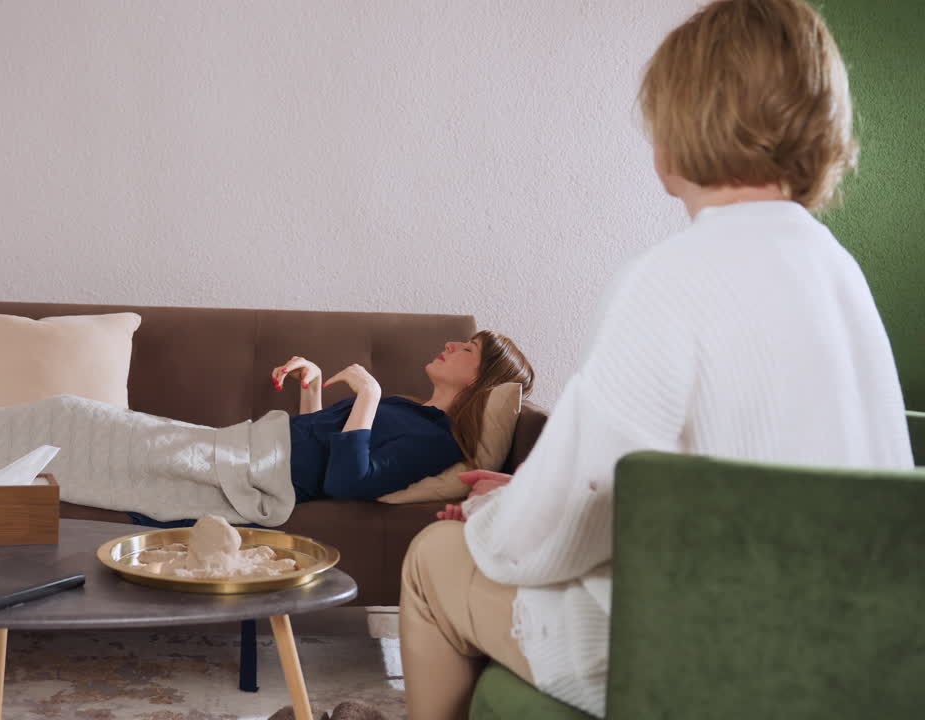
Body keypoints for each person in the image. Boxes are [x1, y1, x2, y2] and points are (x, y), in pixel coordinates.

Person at [397, 1, 914, 718]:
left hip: (701, 659)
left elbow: (546, 539)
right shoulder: (840, 273)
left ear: (675, 132)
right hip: (855, 663)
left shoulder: (673, 275)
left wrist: (494, 506)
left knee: (433, 558)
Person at [270, 329, 533, 503]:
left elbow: (346, 484)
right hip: (262, 448)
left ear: (480, 379)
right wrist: (312, 386)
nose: (451, 345)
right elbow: (320, 451)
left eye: (468, 349)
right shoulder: (406, 408)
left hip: (265, 470)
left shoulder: (436, 440)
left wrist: (369, 393)